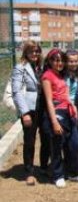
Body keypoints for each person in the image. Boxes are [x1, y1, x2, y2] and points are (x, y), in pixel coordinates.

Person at [41, 49, 78, 188]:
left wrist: (73, 107)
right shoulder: (47, 76)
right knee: (57, 146)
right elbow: (49, 100)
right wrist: (54, 121)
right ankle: (58, 175)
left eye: (61, 60)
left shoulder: (61, 75)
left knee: (74, 144)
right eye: (56, 60)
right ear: (50, 61)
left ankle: (74, 173)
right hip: (56, 113)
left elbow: (66, 95)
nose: (59, 63)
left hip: (69, 113)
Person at [11, 41, 47, 185]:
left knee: (46, 137)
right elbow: (16, 91)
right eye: (32, 51)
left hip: (43, 108)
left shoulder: (43, 67)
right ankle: (29, 171)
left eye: (37, 51)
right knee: (30, 141)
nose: (35, 54)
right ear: (26, 52)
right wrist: (24, 112)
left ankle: (44, 167)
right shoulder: (20, 67)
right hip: (29, 109)